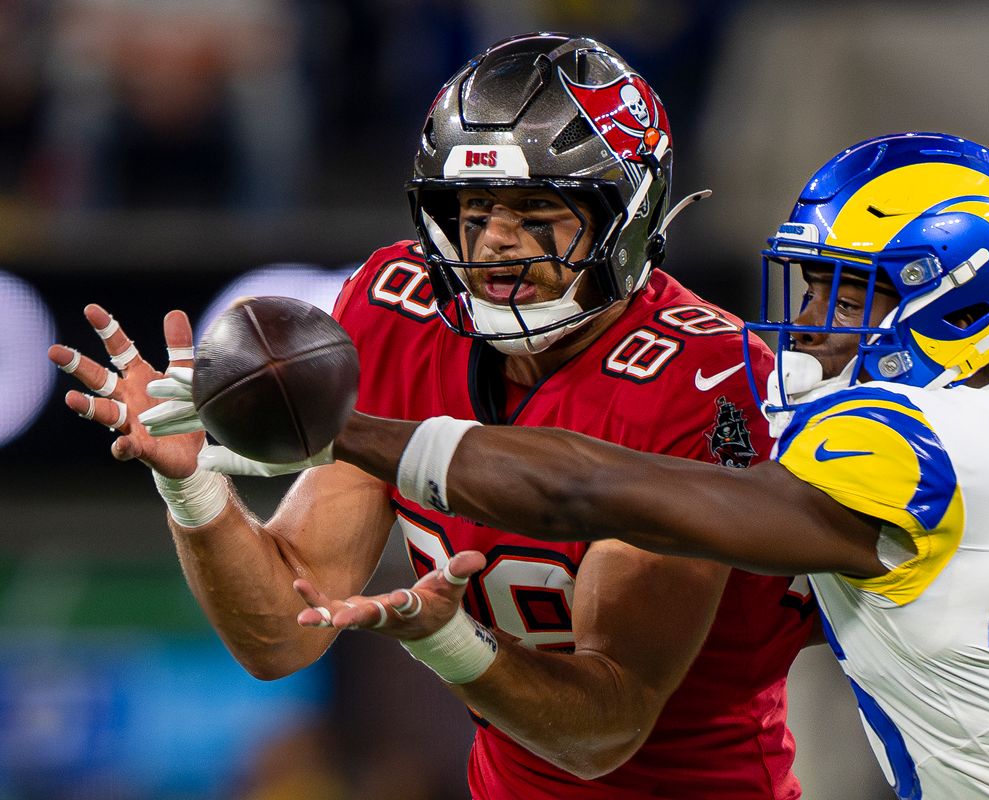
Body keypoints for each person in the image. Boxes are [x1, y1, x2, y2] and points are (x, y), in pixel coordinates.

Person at [247, 132, 989, 799]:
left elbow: (596, 492)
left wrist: (341, 429)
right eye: (810, 281)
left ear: (956, 302)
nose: (808, 323)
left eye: (846, 293)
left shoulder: (901, 445)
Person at [49, 33, 814, 799]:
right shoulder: (399, 309)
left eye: (537, 209)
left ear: (629, 213)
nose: (496, 242)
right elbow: (282, 630)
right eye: (474, 208)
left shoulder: (709, 381)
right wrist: (194, 489)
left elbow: (604, 730)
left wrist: (451, 640)